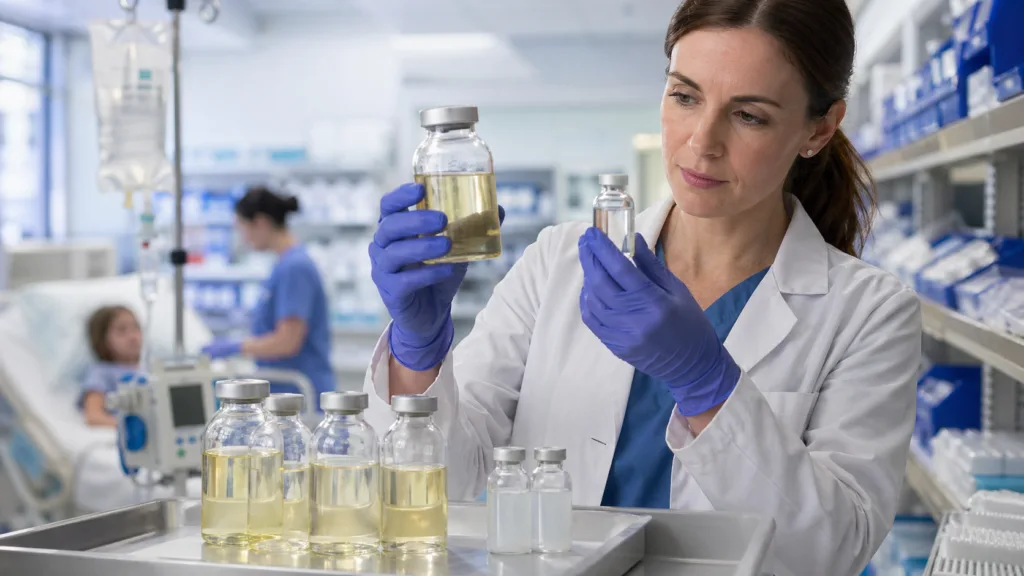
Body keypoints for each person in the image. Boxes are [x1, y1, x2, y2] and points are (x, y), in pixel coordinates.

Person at [363, 1, 923, 574]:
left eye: (749, 115)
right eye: (685, 96)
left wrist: (709, 386)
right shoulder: (560, 262)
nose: (702, 142)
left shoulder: (869, 313)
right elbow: (453, 485)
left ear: (819, 128)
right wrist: (418, 348)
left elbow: (832, 549)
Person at [202, 186, 334, 398]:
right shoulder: (285, 264)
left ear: (261, 223)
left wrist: (237, 346)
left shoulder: (295, 267)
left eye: (243, 228)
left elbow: (287, 341)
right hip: (288, 393)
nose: (243, 238)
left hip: (299, 394)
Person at [80, 305, 142, 427]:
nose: (133, 337)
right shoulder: (102, 372)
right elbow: (93, 416)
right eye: (121, 331)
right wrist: (129, 427)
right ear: (103, 339)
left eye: (136, 328)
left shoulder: (147, 369)